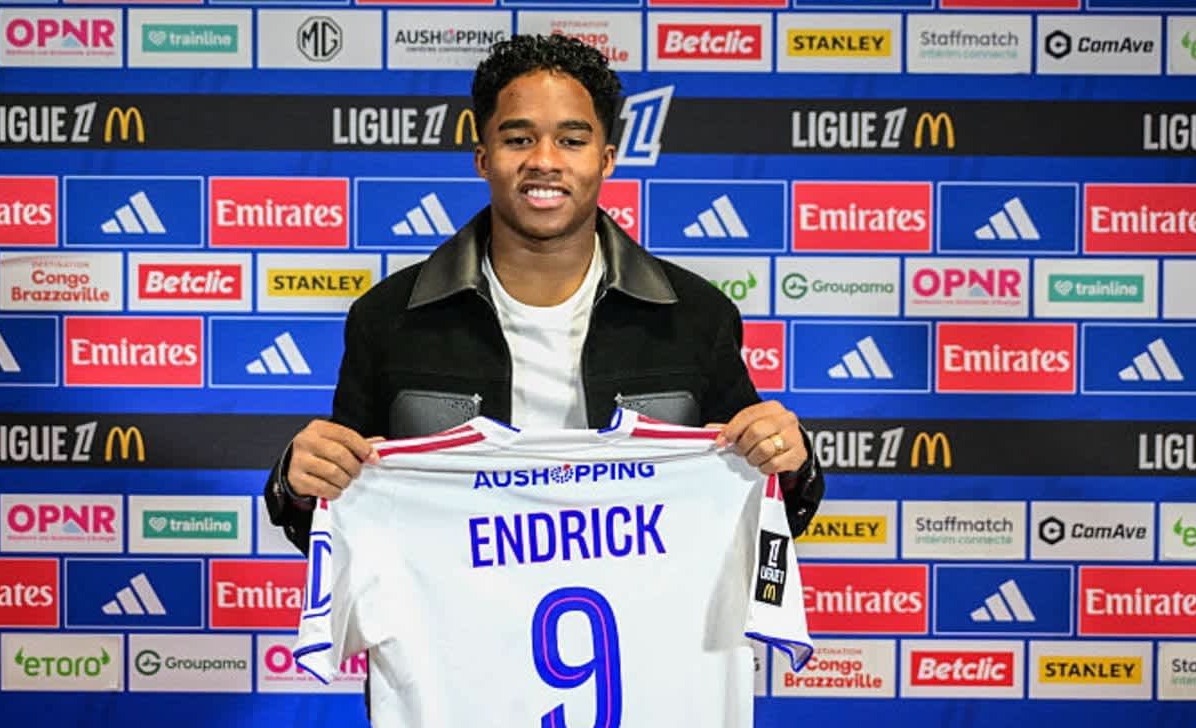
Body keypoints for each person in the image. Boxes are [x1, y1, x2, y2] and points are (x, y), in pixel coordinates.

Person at [264, 33, 823, 551]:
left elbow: (765, 501)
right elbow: (335, 518)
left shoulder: (695, 315)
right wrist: (298, 480)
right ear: (483, 157)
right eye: (518, 138)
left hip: (642, 638)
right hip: (450, 644)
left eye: (572, 140)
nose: (545, 161)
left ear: (605, 160)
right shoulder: (389, 317)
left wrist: (789, 459)